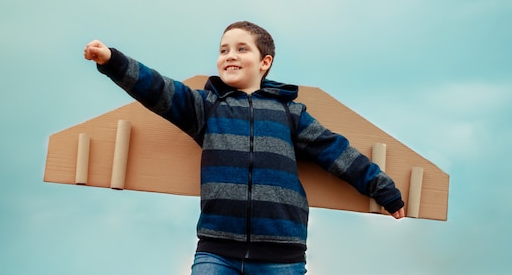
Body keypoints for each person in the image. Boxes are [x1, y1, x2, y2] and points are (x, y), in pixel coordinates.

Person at [84, 21, 405, 275]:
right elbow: (158, 89)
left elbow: (334, 151)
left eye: (241, 49)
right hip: (216, 251)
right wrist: (113, 61)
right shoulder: (206, 108)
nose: (230, 56)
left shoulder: (289, 113)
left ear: (265, 62)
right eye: (223, 50)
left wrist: (383, 189)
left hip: (282, 253)